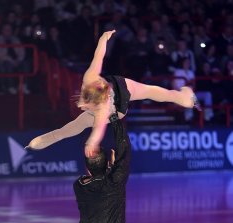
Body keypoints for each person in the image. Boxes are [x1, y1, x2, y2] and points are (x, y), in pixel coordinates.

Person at [25, 30, 199, 156]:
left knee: (154, 92)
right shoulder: (90, 77)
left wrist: (91, 142)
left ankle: (185, 98)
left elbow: (98, 130)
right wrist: (103, 39)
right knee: (72, 128)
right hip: (113, 94)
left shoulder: (103, 107)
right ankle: (37, 143)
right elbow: (98, 57)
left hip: (119, 104)